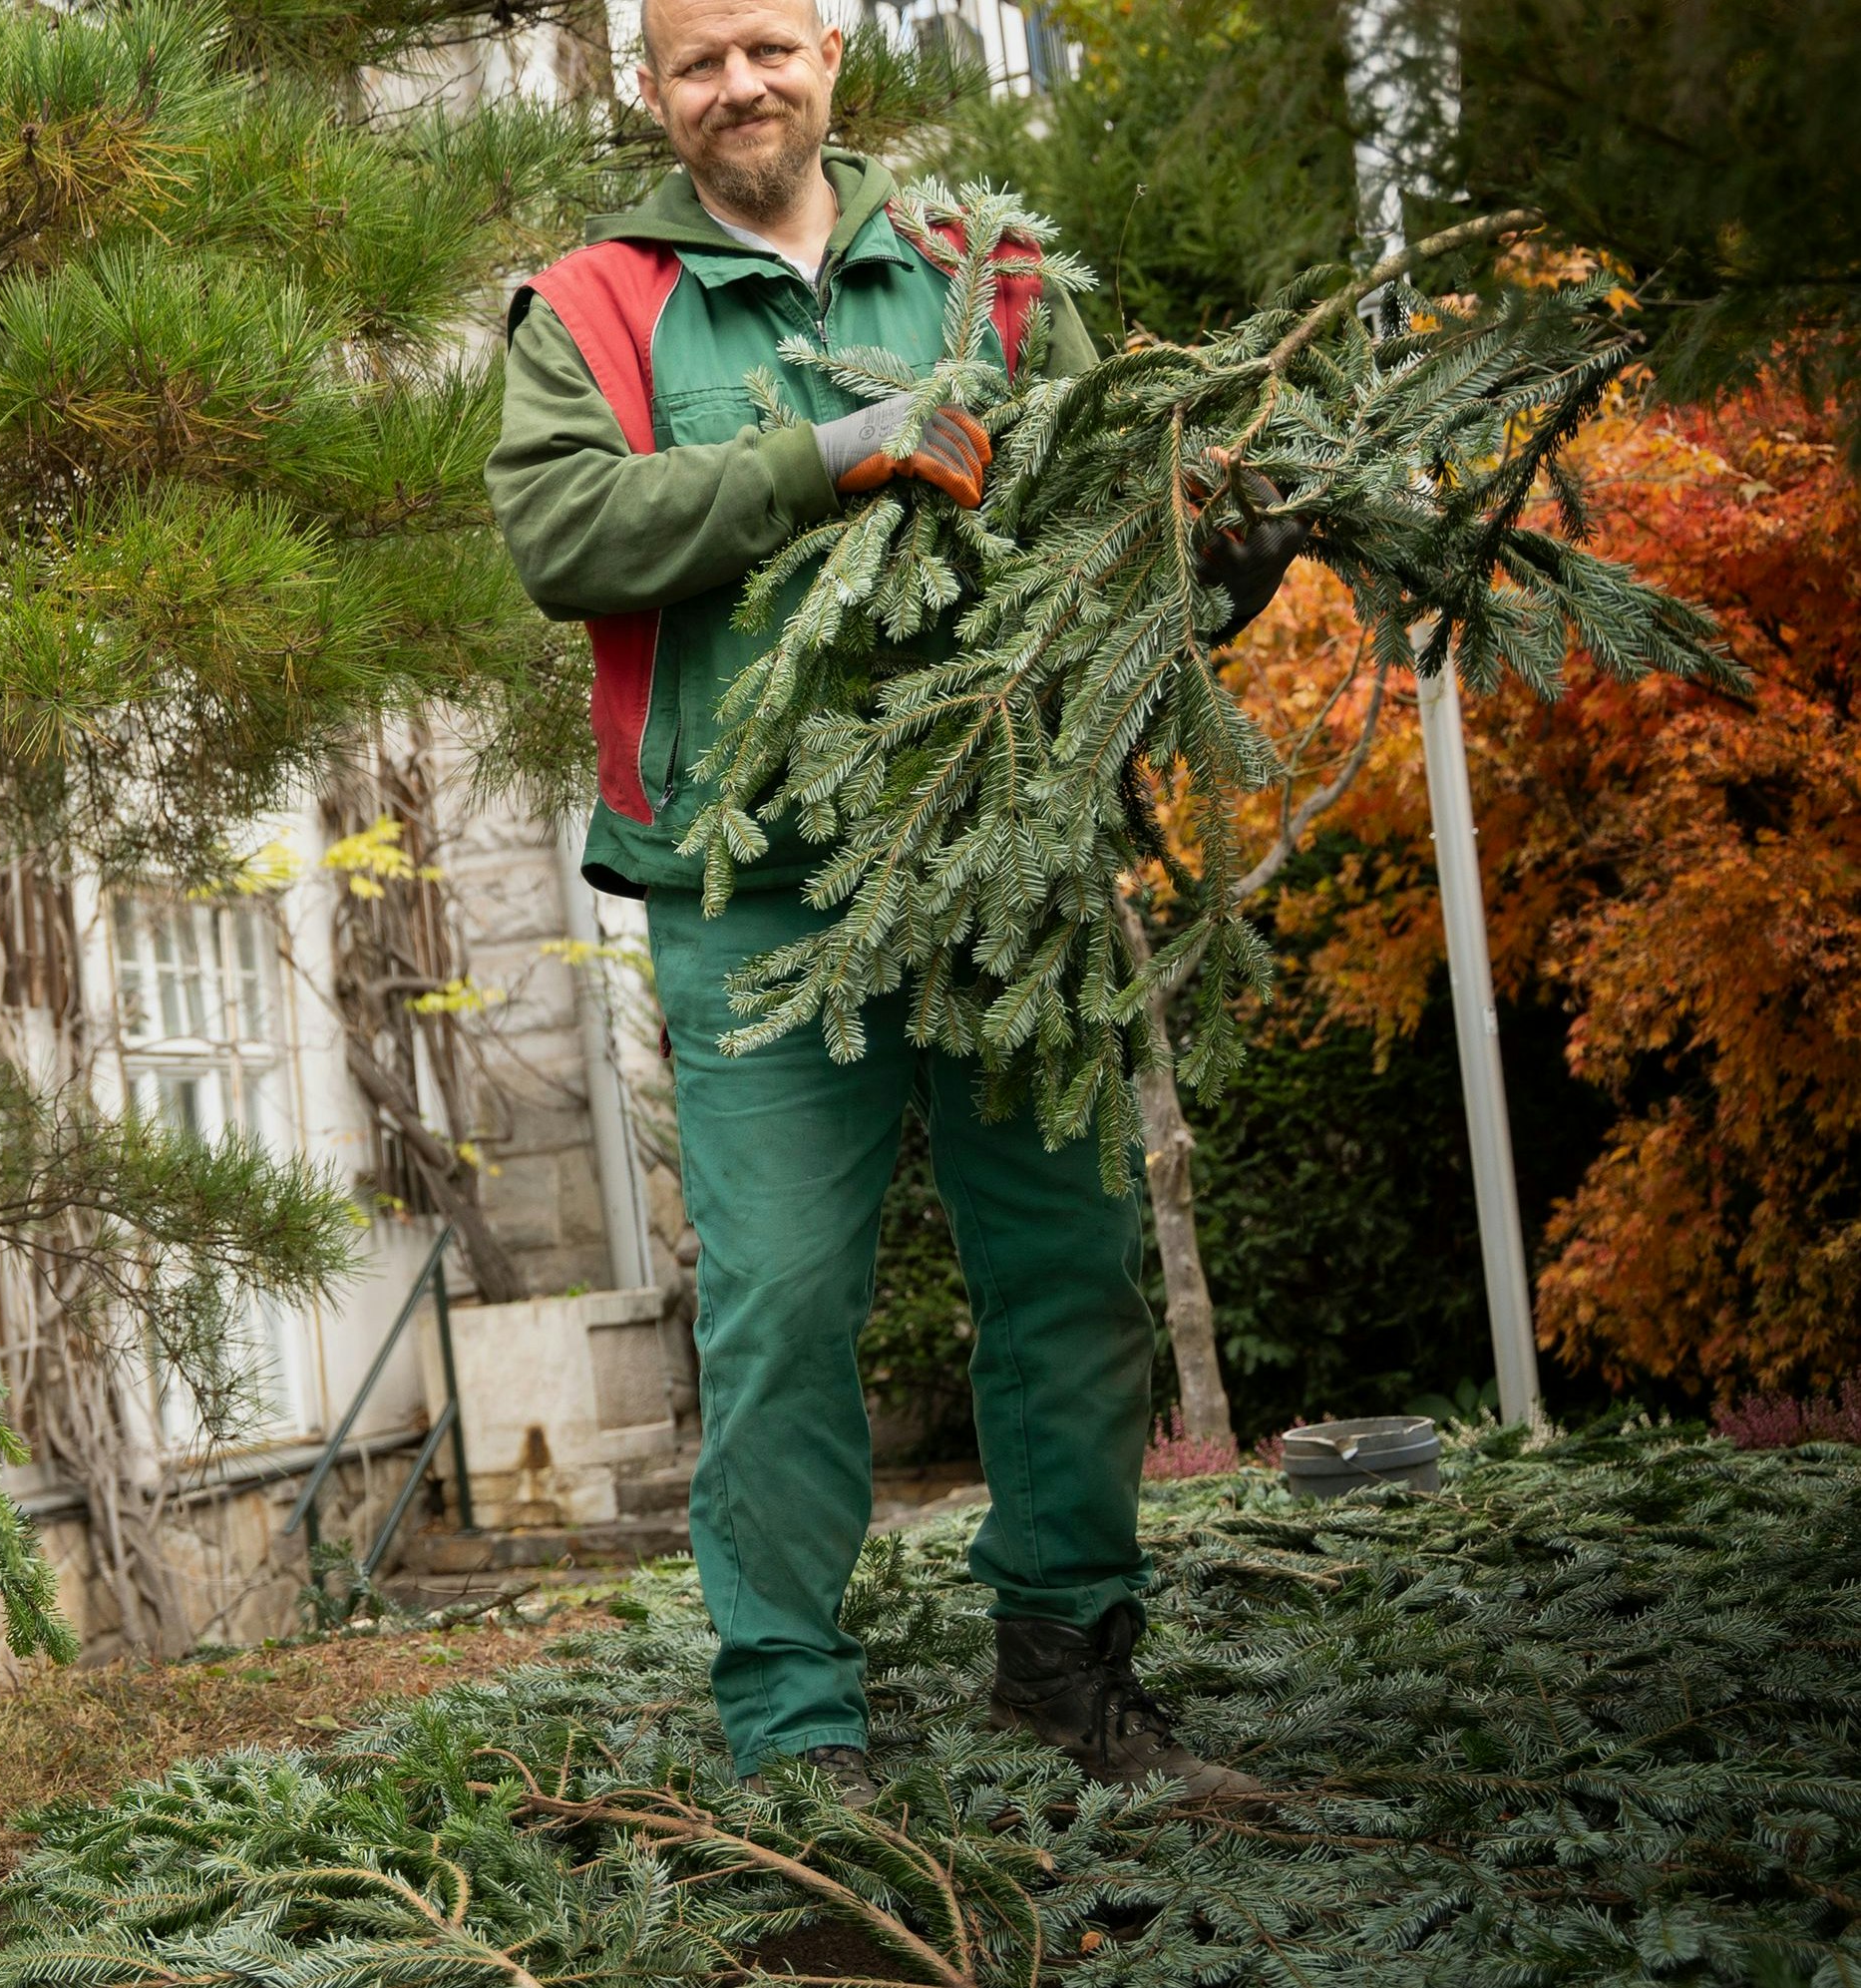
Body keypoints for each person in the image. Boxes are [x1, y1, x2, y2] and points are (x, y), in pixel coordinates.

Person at [484, 0, 1301, 1804]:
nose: (738, 87)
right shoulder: (597, 307)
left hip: (1006, 865)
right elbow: (564, 535)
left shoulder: (991, 268)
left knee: (1072, 1278)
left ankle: (1073, 1668)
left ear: (833, 52)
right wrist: (828, 455)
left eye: (767, 46)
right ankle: (798, 1727)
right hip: (753, 897)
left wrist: (1222, 542)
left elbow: (1106, 514)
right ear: (654, 88)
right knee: (776, 1307)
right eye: (699, 62)